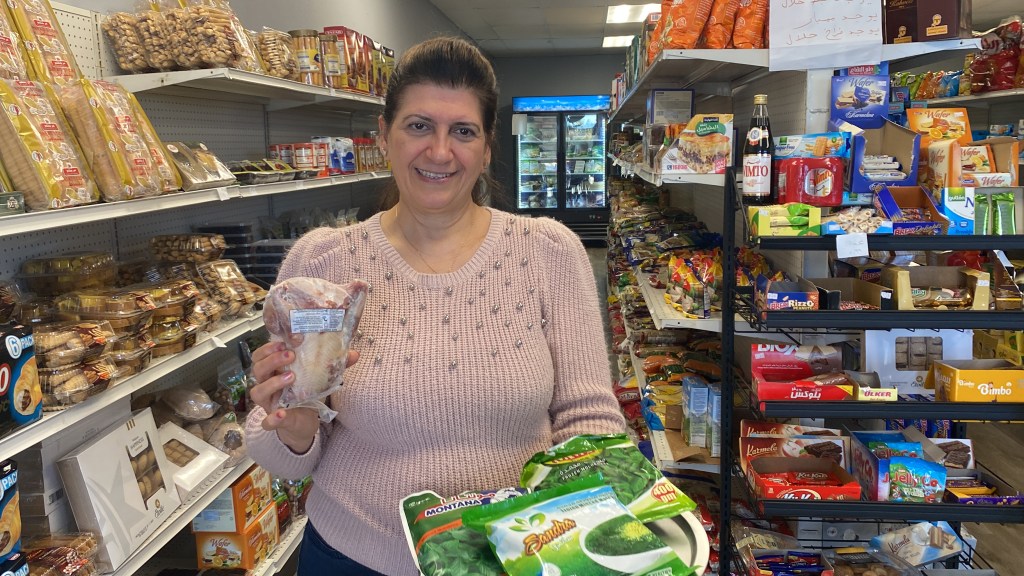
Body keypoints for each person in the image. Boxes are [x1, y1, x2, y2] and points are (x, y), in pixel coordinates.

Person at [244, 36, 625, 575]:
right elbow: (287, 450)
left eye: (462, 131)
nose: (440, 151)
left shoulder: (548, 252)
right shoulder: (324, 261)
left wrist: (591, 534)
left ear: (487, 146)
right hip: (355, 556)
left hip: (524, 556)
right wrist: (293, 421)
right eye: (419, 125)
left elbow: (589, 417)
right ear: (385, 135)